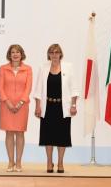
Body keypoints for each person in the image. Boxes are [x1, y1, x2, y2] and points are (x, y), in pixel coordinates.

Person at [34, 44, 79, 173]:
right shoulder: (43, 68)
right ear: (49, 54)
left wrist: (73, 105)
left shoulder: (68, 67)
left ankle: (60, 163)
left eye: (57, 52)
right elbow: (38, 89)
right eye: (52, 53)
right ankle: (49, 162)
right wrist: (38, 106)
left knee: (62, 136)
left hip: (63, 108)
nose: (54, 55)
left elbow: (74, 89)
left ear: (60, 54)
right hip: (48, 107)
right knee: (48, 136)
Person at [0, 44, 32, 172]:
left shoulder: (28, 69)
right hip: (6, 105)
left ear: (21, 54)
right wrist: (7, 102)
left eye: (18, 52)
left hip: (22, 106)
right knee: (9, 133)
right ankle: (10, 162)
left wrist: (20, 103)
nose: (15, 54)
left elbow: (28, 88)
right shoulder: (3, 69)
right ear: (9, 55)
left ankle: (18, 163)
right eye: (13, 52)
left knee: (20, 133)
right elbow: (0, 87)